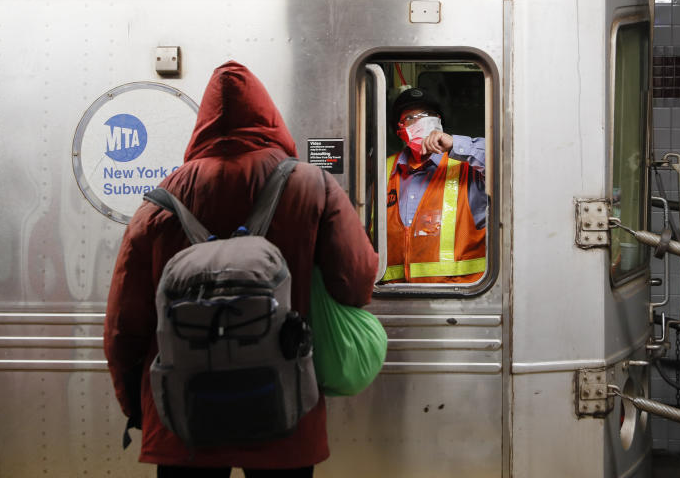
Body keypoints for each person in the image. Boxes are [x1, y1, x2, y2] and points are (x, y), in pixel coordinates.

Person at [104, 61, 378, 477]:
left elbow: (125, 325)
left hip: (181, 413)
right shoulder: (313, 186)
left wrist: (139, 404)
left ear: (202, 125)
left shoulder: (157, 205)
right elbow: (356, 284)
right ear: (269, 118)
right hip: (284, 407)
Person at [382, 87, 487, 284]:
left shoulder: (467, 167)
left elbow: (509, 164)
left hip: (463, 298)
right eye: (411, 117)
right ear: (400, 131)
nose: (422, 120)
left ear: (439, 122)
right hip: (394, 298)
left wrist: (456, 144)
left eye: (429, 114)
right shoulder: (384, 171)